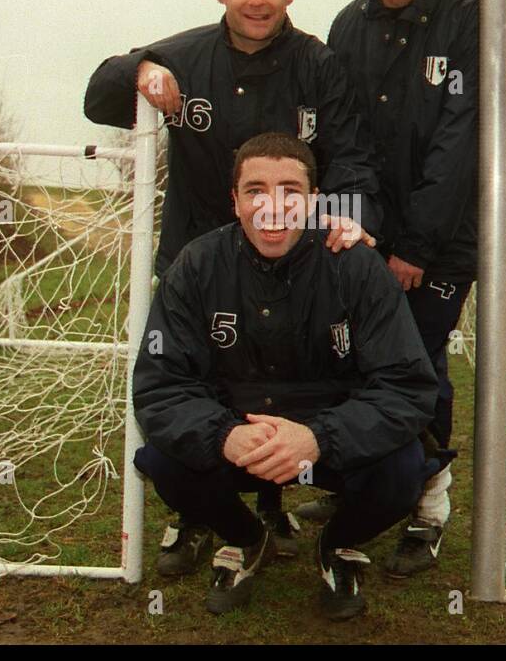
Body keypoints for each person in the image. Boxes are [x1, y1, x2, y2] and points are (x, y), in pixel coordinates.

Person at [84, 0, 382, 575]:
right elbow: (98, 93)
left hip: (292, 261)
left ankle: (271, 504)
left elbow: (351, 156)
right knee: (196, 385)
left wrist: (349, 225)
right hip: (200, 262)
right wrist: (138, 71)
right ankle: (198, 514)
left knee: (280, 378)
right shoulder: (185, 56)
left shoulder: (319, 66)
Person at [131, 133, 440, 620]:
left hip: (330, 444)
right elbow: (160, 385)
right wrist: (224, 434)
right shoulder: (195, 266)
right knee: (163, 459)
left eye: (290, 191)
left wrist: (320, 437)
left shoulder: (356, 265)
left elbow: (406, 384)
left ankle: (336, 544)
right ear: (234, 201)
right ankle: (248, 539)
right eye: (255, 190)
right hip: (240, 439)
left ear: (314, 201)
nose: (272, 205)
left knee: (403, 469)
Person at [307, 0, 479, 579]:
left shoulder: (469, 15)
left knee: (420, 365)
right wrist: (357, 233)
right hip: (367, 237)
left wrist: (415, 248)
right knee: (354, 361)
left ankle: (429, 509)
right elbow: (348, 144)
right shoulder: (348, 26)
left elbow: (459, 141)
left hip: (438, 243)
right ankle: (363, 480)